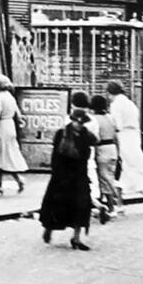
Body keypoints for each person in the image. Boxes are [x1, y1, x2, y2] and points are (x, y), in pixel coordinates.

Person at [39, 107, 95, 250]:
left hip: (79, 175)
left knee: (82, 206)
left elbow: (87, 153)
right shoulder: (62, 134)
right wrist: (57, 173)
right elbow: (56, 156)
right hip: (62, 175)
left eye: (81, 123)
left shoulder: (86, 136)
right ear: (72, 120)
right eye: (77, 122)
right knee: (57, 205)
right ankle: (49, 228)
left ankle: (76, 237)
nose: (79, 125)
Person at [106, 80, 143, 215]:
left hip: (123, 138)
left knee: (123, 169)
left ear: (110, 93)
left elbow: (117, 124)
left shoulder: (116, 105)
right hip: (134, 136)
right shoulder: (130, 104)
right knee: (131, 169)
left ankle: (122, 203)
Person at [0, 76, 28, 193]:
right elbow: (18, 114)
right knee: (8, 155)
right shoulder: (10, 97)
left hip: (1, 126)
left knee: (0, 156)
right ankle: (15, 180)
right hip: (10, 125)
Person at [89, 94, 121, 222]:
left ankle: (111, 207)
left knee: (104, 179)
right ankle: (108, 204)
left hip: (101, 148)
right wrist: (118, 152)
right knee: (109, 176)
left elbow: (95, 138)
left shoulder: (93, 119)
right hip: (112, 148)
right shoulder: (111, 118)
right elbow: (116, 136)